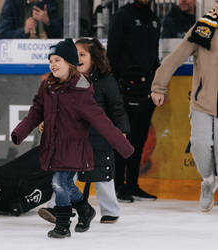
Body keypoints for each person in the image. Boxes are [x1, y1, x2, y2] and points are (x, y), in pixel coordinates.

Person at [11, 39, 134, 238]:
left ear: (70, 63)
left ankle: (62, 224)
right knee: (66, 185)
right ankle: (85, 210)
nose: (53, 64)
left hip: (75, 148)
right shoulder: (47, 87)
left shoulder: (82, 91)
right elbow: (35, 113)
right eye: (51, 60)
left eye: (58, 60)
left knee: (59, 183)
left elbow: (101, 121)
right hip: (54, 146)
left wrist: (123, 146)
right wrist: (20, 132)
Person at [38, 38, 130, 224]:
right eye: (75, 54)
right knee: (64, 174)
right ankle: (56, 208)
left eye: (82, 54)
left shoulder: (105, 81)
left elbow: (117, 107)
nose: (78, 58)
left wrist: (122, 130)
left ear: (94, 58)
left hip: (100, 139)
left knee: (103, 175)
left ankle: (110, 210)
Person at [151, 1, 218, 212]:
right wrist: (159, 86)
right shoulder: (204, 27)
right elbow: (176, 57)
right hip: (202, 102)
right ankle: (208, 181)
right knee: (200, 145)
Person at [107, 0, 160, 203]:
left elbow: (154, 55)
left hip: (147, 88)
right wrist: (114, 90)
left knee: (139, 139)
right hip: (124, 87)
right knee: (123, 137)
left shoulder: (154, 19)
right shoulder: (122, 16)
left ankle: (133, 185)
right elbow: (112, 53)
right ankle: (119, 185)